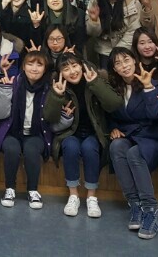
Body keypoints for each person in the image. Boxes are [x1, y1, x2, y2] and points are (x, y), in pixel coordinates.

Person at [44, 53, 123, 219]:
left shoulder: (97, 78)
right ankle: (73, 195)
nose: (72, 71)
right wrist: (57, 95)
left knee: (89, 147)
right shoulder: (59, 85)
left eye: (75, 66)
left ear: (81, 65)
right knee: (70, 146)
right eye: (66, 69)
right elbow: (49, 117)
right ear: (60, 73)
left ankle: (91, 197)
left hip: (95, 133)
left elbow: (115, 104)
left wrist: (95, 83)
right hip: (70, 132)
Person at [106, 47, 158, 238]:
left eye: (126, 60)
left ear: (134, 60)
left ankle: (150, 209)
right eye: (118, 63)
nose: (124, 66)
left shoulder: (153, 83)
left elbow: (156, 115)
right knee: (116, 146)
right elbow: (110, 115)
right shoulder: (114, 89)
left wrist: (148, 88)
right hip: (129, 136)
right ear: (114, 69)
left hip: (151, 137)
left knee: (134, 153)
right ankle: (135, 204)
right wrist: (113, 128)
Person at [0, 51, 52, 209]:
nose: (34, 68)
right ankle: (10, 189)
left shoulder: (49, 88)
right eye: (30, 64)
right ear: (23, 67)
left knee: (31, 150)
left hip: (36, 134)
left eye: (39, 65)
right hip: (11, 132)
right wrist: (5, 90)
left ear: (45, 69)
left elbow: (52, 119)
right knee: (12, 149)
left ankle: (33, 190)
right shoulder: (13, 82)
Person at [85, 0, 142, 68]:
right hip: (104, 50)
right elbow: (92, 33)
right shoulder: (94, 2)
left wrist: (117, 52)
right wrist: (94, 20)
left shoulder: (132, 1)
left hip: (126, 49)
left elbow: (133, 30)